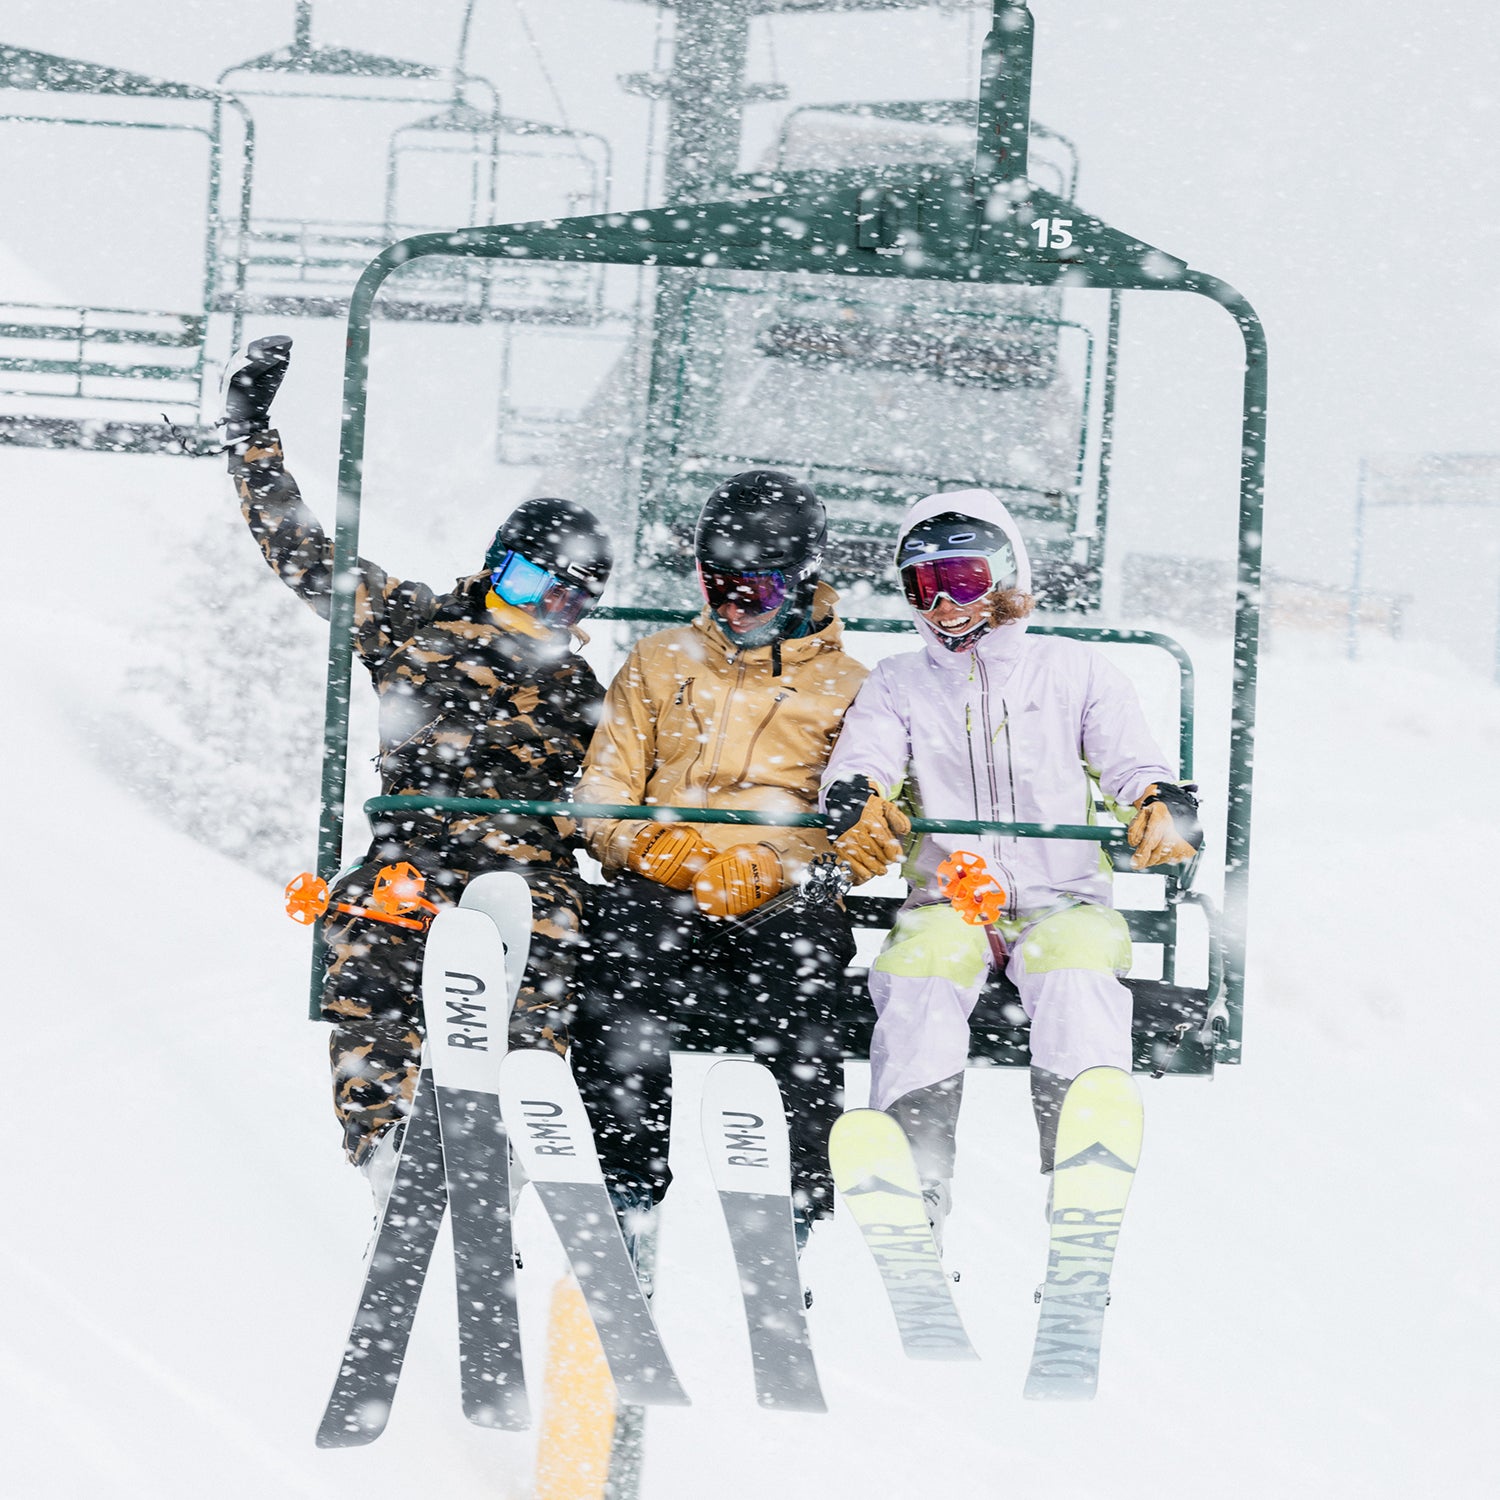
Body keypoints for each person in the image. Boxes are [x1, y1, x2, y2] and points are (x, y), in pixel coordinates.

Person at [224, 336, 611, 1181]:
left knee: (543, 939)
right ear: (491, 569)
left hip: (526, 866)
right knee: (374, 932)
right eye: (522, 583)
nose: (539, 612)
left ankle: (516, 1124)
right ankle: (385, 1141)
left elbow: (615, 788)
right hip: (416, 849)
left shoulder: (581, 682)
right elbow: (305, 553)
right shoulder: (416, 628)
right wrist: (254, 440)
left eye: (566, 598)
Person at [819, 489, 1201, 1245]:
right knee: (922, 975)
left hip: (1062, 898)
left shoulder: (1073, 672)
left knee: (1075, 976)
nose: (945, 605)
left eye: (962, 580)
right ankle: (913, 1171)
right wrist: (856, 794)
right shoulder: (899, 682)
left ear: (1004, 576)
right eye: (922, 586)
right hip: (951, 899)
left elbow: (1129, 758)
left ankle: (1084, 1170)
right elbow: (867, 753)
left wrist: (1158, 799)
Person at [568, 470, 872, 1254]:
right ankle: (629, 1195)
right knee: (616, 962)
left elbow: (871, 822)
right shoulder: (659, 663)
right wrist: (650, 846)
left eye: (756, 591)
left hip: (783, 900)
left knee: (802, 981)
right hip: (665, 888)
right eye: (717, 584)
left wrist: (779, 864)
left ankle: (800, 1210)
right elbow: (602, 788)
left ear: (803, 582)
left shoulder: (850, 688)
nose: (732, 607)